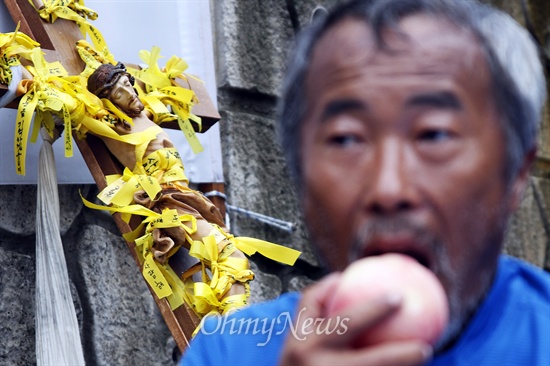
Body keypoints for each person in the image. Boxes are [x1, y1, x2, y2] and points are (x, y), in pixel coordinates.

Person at [180, 0, 550, 365]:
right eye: (346, 139)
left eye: (434, 135)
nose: (388, 190)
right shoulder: (228, 353)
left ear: (516, 173)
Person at [85, 63, 300, 316]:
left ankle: (226, 328)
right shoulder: (114, 125)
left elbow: (143, 76)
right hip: (170, 206)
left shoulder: (142, 111)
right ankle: (233, 333)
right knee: (233, 258)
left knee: (227, 264)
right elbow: (69, 103)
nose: (129, 93)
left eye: (127, 85)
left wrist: (161, 74)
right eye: (119, 93)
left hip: (185, 197)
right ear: (108, 102)